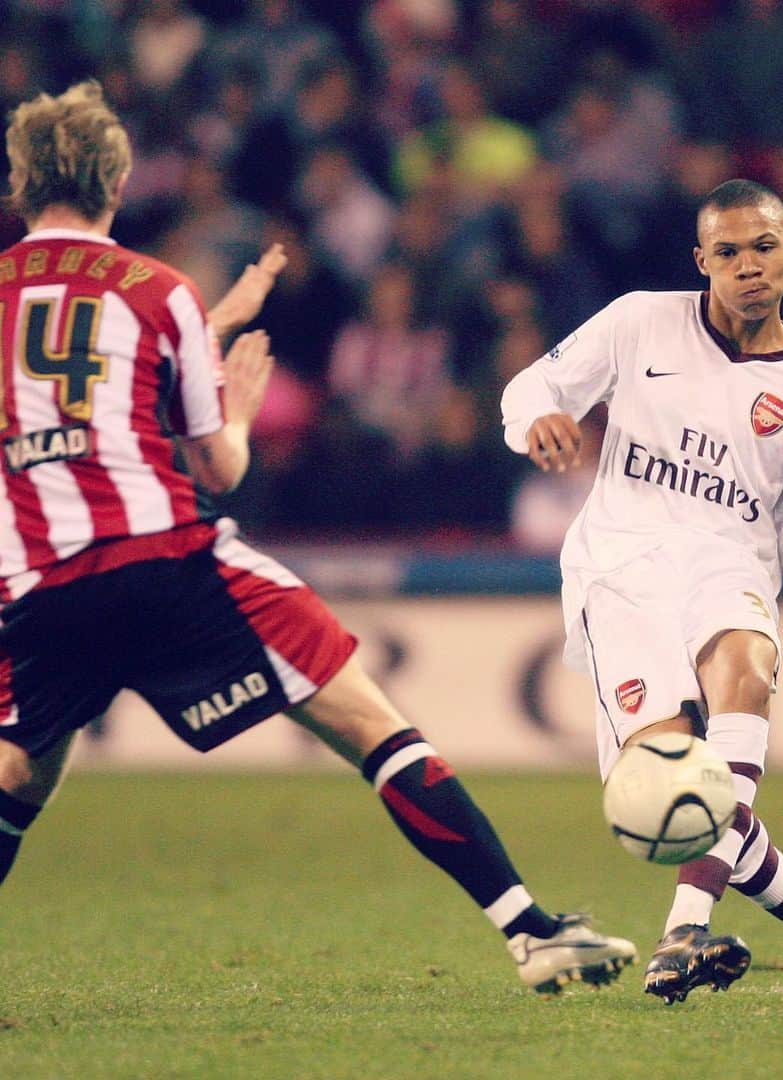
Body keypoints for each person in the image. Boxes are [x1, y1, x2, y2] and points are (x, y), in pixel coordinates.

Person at [0, 79, 637, 995]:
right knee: (370, 725)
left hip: (41, 584)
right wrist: (243, 412)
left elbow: (66, 383)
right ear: (119, 179)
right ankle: (529, 930)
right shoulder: (158, 289)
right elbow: (217, 470)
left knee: (18, 778)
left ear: (20, 183)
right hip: (171, 562)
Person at [502, 178, 783, 1005]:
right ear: (702, 261)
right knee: (676, 793)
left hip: (729, 565)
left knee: (745, 669)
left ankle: (683, 932)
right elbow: (531, 388)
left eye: (764, 248)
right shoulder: (639, 321)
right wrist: (539, 423)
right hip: (620, 567)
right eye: (728, 253)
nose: (748, 267)